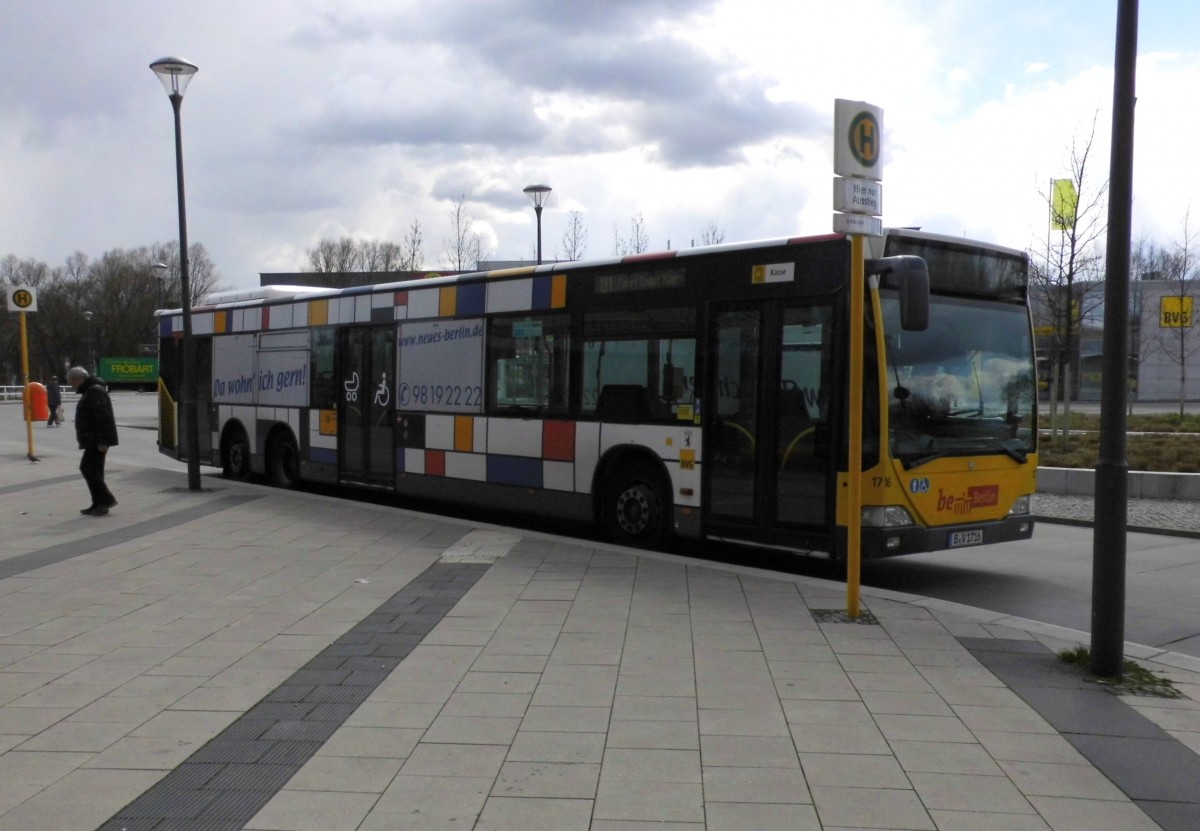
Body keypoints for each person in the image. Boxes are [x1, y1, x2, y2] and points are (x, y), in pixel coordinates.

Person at [67, 366, 119, 516]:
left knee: (87, 468)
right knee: (94, 470)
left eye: (72, 381)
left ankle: (106, 500)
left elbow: (103, 417)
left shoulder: (94, 391)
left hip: (97, 440)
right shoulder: (91, 390)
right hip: (93, 439)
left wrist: (102, 441)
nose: (71, 385)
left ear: (78, 379)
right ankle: (98, 503)